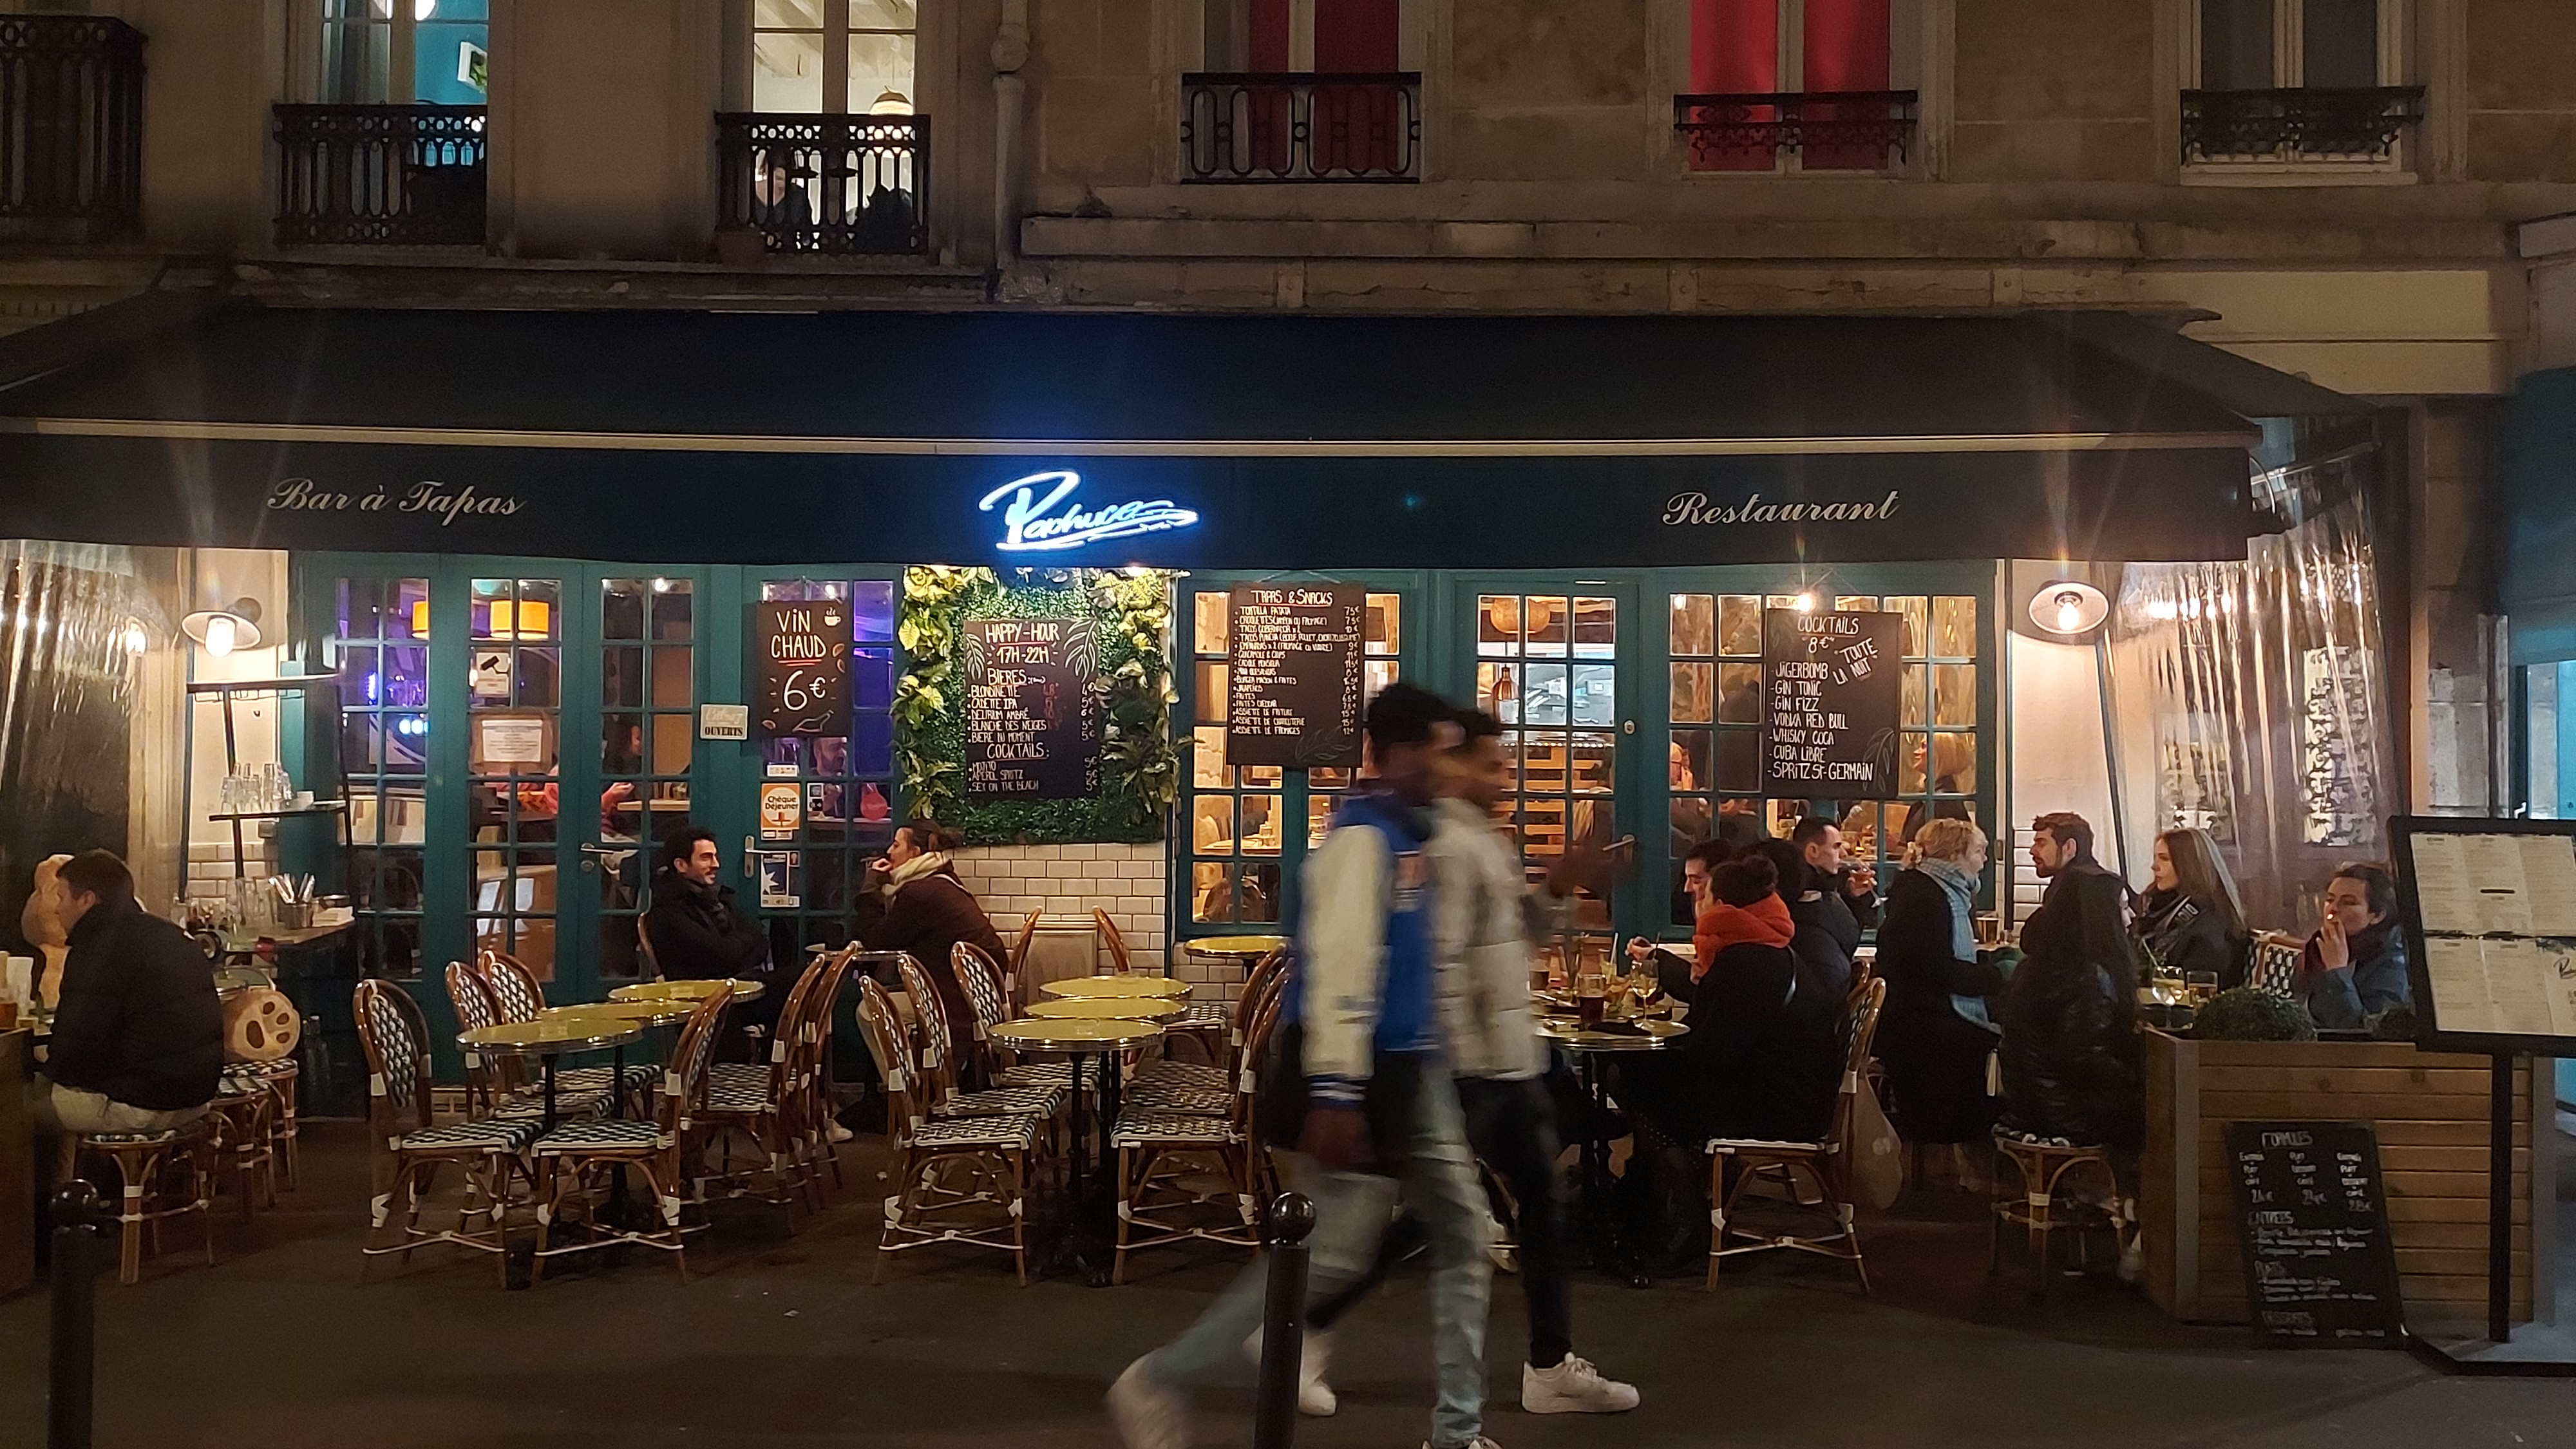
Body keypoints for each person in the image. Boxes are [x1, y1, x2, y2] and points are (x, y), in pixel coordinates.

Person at [1110, 683, 1498, 1449]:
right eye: (1439, 751)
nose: (1449, 767)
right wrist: (1336, 1091)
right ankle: (1162, 1375)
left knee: (1462, 1233)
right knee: (1331, 1256)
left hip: (1410, 1068)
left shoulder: (1408, 834)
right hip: (1367, 1073)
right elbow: (1343, 968)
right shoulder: (1364, 844)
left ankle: (1457, 1429)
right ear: (1398, 754)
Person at [1299, 708, 1638, 1419]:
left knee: (1528, 1208)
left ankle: (1548, 1364)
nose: (1503, 778)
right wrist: (1452, 1060)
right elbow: (1439, 965)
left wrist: (1560, 885)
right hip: (1473, 1067)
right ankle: (1308, 1327)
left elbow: (1515, 937)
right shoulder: (1446, 846)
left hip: (1508, 1060)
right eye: (1491, 764)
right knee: (1441, 1218)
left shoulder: (1482, 838)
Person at [1625, 853, 1839, 1148]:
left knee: (1634, 1075)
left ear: (1721, 906)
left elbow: (1713, 1052)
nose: (1695, 902)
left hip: (1778, 1106)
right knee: (1643, 1071)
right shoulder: (1764, 945)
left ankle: (1678, 1169)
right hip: (1786, 1089)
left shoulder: (1748, 960)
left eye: (1704, 895)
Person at [32, 851, 223, 1138]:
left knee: (19, 1103)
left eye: (61, 897)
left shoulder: (97, 949)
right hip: (196, 1099)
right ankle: (89, 1167)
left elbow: (78, 1054)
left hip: (143, 1105)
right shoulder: (170, 935)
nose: (57, 910)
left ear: (87, 900)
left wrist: (40, 1067)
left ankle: (75, 1170)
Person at [1872, 818, 2006, 1152]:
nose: (1984, 860)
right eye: (1979, 851)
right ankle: (1969, 1148)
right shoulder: (1926, 897)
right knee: (2000, 1053)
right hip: (1922, 1029)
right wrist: (1997, 976)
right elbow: (1936, 970)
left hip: (1919, 1019)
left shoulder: (1930, 888)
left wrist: (1986, 966)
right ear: (1955, 855)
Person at [852, 819, 1007, 1072]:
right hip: (979, 999)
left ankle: (906, 1085)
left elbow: (876, 940)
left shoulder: (920, 893)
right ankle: (921, 1077)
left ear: (915, 852)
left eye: (896, 845)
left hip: (952, 1005)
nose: (889, 852)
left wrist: (871, 885)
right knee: (888, 995)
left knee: (869, 1011)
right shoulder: (944, 880)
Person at [645, 828, 782, 1052]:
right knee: (793, 986)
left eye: (715, 857)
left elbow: (759, 939)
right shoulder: (668, 912)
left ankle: (795, 1063)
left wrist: (736, 949)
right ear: (681, 865)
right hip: (707, 1002)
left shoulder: (718, 898)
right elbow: (722, 956)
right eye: (706, 858)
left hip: (735, 990)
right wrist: (740, 948)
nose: (716, 864)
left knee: (806, 982)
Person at [2131, 827, 2249, 988]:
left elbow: (2199, 983)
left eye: (2164, 859)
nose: (2154, 866)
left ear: (2189, 865)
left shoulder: (2209, 923)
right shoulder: (2156, 908)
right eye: (2155, 857)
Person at [2297, 862, 2410, 1030]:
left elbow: (2365, 1031)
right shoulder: (2316, 949)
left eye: (2348, 903)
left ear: (2377, 916)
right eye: (2330, 900)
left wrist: (2337, 971)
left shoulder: (2392, 964)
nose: (2333, 909)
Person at [2023, 812, 2129, 967]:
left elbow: (2035, 943)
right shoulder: (2100, 881)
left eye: (2041, 843)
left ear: (2069, 848)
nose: (2033, 851)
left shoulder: (2079, 885)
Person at [1765, 833, 1857, 999]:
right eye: (1836, 846)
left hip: (1813, 1008)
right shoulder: (1822, 906)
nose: (1844, 854)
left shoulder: (1795, 927)